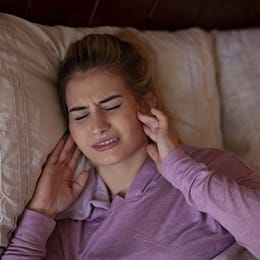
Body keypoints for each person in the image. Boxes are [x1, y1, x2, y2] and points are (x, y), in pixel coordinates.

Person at [2, 32, 260, 260]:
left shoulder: (208, 169)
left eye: (112, 106)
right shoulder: (70, 225)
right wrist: (40, 212)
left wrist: (183, 172)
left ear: (146, 105)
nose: (98, 125)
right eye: (81, 115)